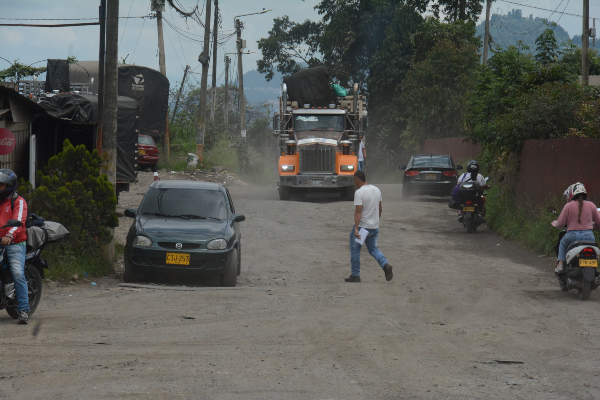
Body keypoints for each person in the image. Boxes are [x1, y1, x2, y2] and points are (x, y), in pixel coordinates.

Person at [346, 170, 393, 282]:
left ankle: (355, 275)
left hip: (363, 227)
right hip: (374, 226)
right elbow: (380, 208)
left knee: (355, 249)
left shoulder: (359, 193)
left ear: (357, 180)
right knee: (373, 249)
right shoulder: (377, 190)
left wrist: (356, 228)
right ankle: (385, 265)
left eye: (354, 181)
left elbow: (358, 211)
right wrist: (376, 221)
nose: (355, 184)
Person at [0, 169, 29, 324]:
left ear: (9, 186)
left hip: (15, 242)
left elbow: (18, 222)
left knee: (17, 273)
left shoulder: (18, 201)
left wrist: (9, 236)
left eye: (1, 185)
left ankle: (23, 309)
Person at [551, 182, 600, 274]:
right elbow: (599, 222)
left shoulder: (568, 206)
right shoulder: (591, 205)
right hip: (589, 236)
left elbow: (560, 223)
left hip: (572, 236)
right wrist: (595, 227)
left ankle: (560, 265)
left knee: (562, 243)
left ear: (571, 194)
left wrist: (554, 223)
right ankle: (594, 268)